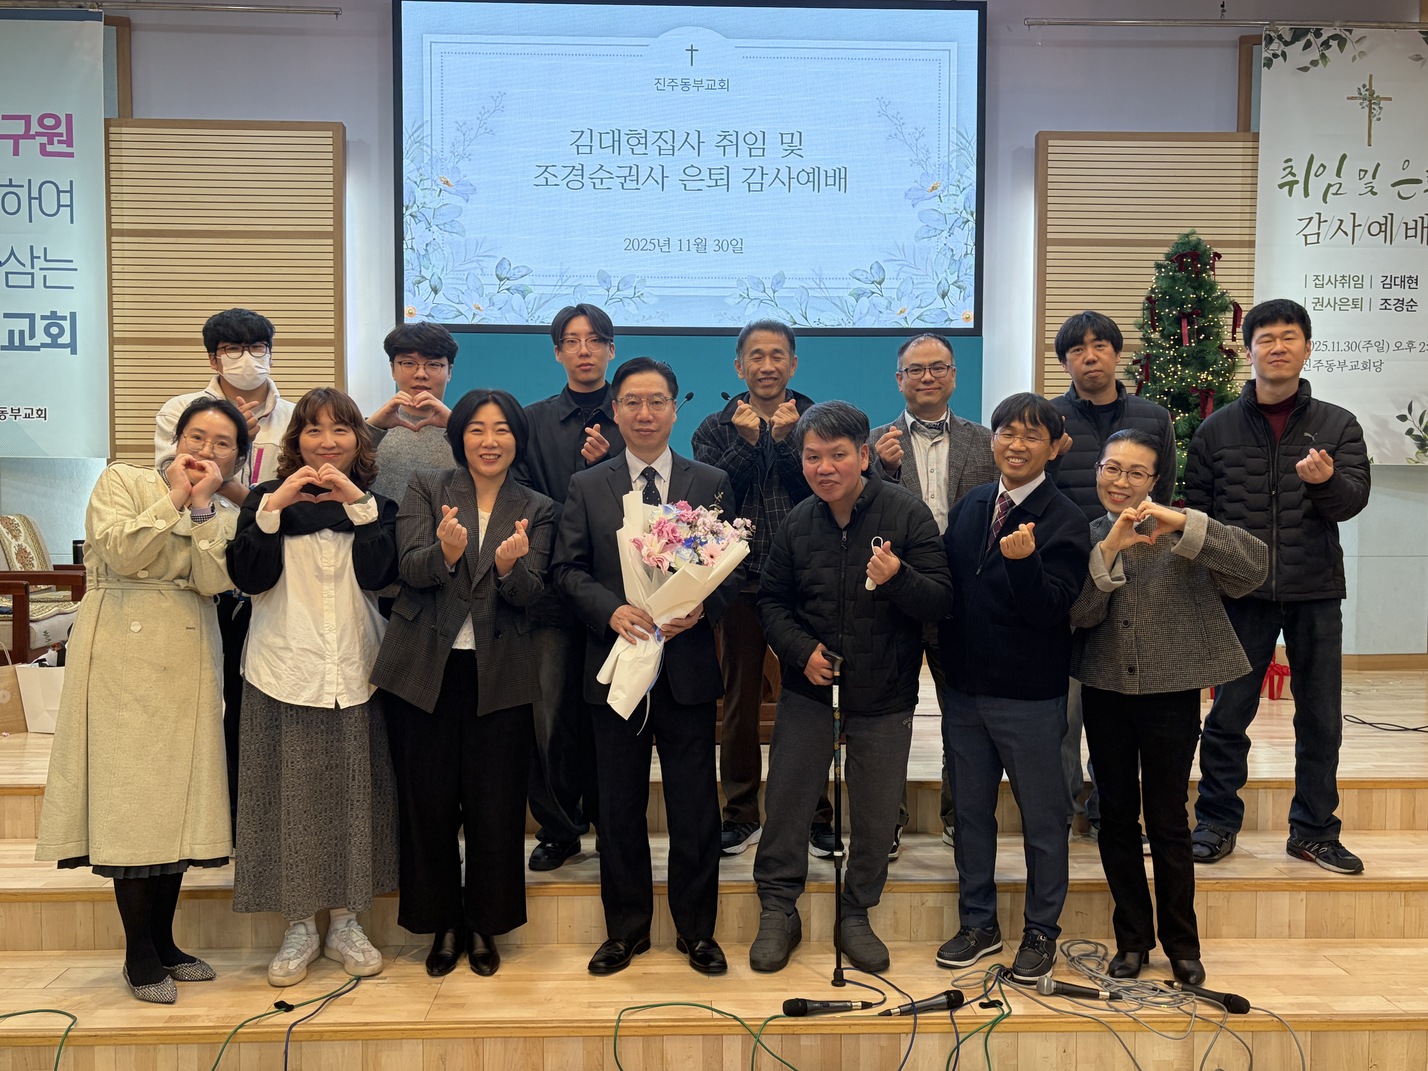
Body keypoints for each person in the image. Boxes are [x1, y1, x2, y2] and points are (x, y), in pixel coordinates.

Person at [37, 398, 251, 1004]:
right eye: (197, 437)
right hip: (122, 652)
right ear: (176, 439)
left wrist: (203, 507)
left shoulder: (221, 512)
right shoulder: (122, 480)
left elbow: (214, 580)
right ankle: (139, 953)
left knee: (176, 800)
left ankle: (166, 941)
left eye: (222, 444)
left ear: (237, 459)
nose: (205, 451)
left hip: (189, 655)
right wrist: (177, 497)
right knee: (132, 803)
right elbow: (122, 552)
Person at [552, 356, 743, 977]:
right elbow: (566, 570)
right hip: (617, 669)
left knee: (695, 807)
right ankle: (626, 930)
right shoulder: (589, 485)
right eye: (631, 402)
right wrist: (610, 611)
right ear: (615, 410)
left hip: (686, 669)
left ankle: (697, 931)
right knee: (617, 806)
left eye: (656, 401)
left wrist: (701, 607)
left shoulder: (710, 480)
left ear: (674, 409)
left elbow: (733, 570)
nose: (644, 413)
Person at [751, 401, 952, 973]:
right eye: (812, 457)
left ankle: (857, 910)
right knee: (787, 801)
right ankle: (778, 909)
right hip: (809, 691)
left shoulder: (907, 513)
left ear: (863, 456)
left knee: (876, 813)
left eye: (837, 455)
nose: (824, 468)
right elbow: (771, 602)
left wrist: (898, 578)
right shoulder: (797, 522)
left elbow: (941, 599)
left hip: (885, 694)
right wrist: (801, 652)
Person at [1069, 429, 1267, 986]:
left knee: (1169, 818)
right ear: (1097, 471)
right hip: (1106, 692)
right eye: (1112, 468)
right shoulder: (1087, 535)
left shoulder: (1186, 532)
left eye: (1136, 472)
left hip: (1173, 695)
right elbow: (1079, 615)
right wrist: (1109, 551)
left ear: (1156, 481)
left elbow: (1254, 568)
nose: (1121, 481)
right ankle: (1132, 939)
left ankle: (1182, 943)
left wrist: (1183, 522)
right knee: (1114, 816)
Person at [371, 389, 554, 978]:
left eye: (501, 430)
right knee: (426, 803)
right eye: (477, 429)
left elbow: (534, 595)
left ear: (517, 439)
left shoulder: (538, 507)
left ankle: (484, 924)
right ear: (460, 438)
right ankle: (441, 923)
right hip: (424, 667)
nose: (489, 441)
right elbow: (408, 568)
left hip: (499, 674)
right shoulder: (427, 487)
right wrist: (446, 555)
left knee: (495, 806)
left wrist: (506, 569)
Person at [1185, 298, 1371, 874]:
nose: (1278, 347)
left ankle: (1314, 831)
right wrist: (1218, 579)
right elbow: (1198, 512)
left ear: (1307, 348)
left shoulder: (1338, 424)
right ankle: (1216, 822)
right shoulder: (1216, 430)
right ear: (1249, 352)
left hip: (1314, 588)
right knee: (1228, 715)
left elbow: (1351, 502)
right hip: (1241, 593)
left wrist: (1326, 481)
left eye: (1289, 337)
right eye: (1265, 339)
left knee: (1320, 717)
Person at [226, 387, 400, 987]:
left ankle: (348, 922)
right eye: (314, 430)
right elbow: (249, 577)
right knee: (287, 801)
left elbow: (383, 575)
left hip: (354, 667)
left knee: (353, 799)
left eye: (341, 430)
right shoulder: (263, 501)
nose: (327, 442)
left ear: (359, 440)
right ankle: (297, 925)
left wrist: (357, 504)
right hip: (282, 668)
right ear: (296, 440)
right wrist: (274, 508)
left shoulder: (378, 506)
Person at [935, 392, 1090, 985]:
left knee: (1043, 821)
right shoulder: (974, 503)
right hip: (965, 693)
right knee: (971, 815)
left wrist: (1025, 563)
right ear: (992, 439)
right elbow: (952, 590)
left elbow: (1054, 611)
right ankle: (979, 923)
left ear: (1054, 448)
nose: (1016, 445)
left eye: (1031, 436)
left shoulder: (1065, 518)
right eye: (1007, 432)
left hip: (1030, 697)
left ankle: (1041, 930)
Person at [153, 307, 296, 834]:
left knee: (247, 696)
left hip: (267, 567)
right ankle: (195, 816)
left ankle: (242, 815)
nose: (247, 359)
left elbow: (294, 496)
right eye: (233, 350)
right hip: (198, 562)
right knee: (194, 696)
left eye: (258, 348)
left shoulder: (294, 416)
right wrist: (235, 454)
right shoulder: (182, 411)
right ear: (213, 358)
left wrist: (237, 474)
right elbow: (183, 481)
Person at [690, 319, 824, 858]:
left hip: (806, 581)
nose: (767, 366)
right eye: (756, 356)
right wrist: (747, 446)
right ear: (739, 366)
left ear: (793, 363)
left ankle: (816, 813)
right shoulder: (715, 426)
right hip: (738, 583)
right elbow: (710, 501)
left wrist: (788, 443)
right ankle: (740, 812)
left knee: (811, 698)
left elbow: (820, 489)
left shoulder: (817, 420)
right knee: (740, 699)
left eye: (777, 355)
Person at [1047, 311, 1176, 842]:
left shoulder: (1153, 416)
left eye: (1100, 345)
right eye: (1077, 349)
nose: (1090, 356)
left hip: (1135, 570)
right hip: (1068, 571)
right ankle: (1059, 812)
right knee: (1065, 707)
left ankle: (1109, 809)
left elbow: (1164, 491)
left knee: (1118, 702)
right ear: (1065, 362)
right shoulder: (1051, 417)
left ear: (1117, 353)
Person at [871, 333, 997, 854]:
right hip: (893, 597)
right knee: (886, 718)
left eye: (938, 367)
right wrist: (883, 470)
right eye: (916, 369)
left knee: (963, 717)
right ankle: (885, 822)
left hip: (964, 600)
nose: (927, 377)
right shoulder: (873, 443)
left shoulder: (986, 441)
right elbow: (859, 511)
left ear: (953, 375)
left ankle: (960, 816)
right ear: (898, 379)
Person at [515, 303, 626, 872]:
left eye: (595, 340)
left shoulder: (632, 417)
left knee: (612, 714)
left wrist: (612, 468)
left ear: (611, 349)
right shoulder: (531, 421)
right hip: (550, 594)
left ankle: (615, 825)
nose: (585, 350)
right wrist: (585, 493)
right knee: (550, 715)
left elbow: (657, 500)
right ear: (557, 351)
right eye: (572, 341)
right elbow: (519, 498)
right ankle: (559, 827)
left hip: (618, 596)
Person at [366, 321, 459, 504]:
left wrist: (457, 427)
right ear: (393, 369)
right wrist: (371, 428)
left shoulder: (469, 433)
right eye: (408, 363)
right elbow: (343, 475)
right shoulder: (372, 429)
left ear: (449, 371)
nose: (420, 374)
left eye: (433, 364)